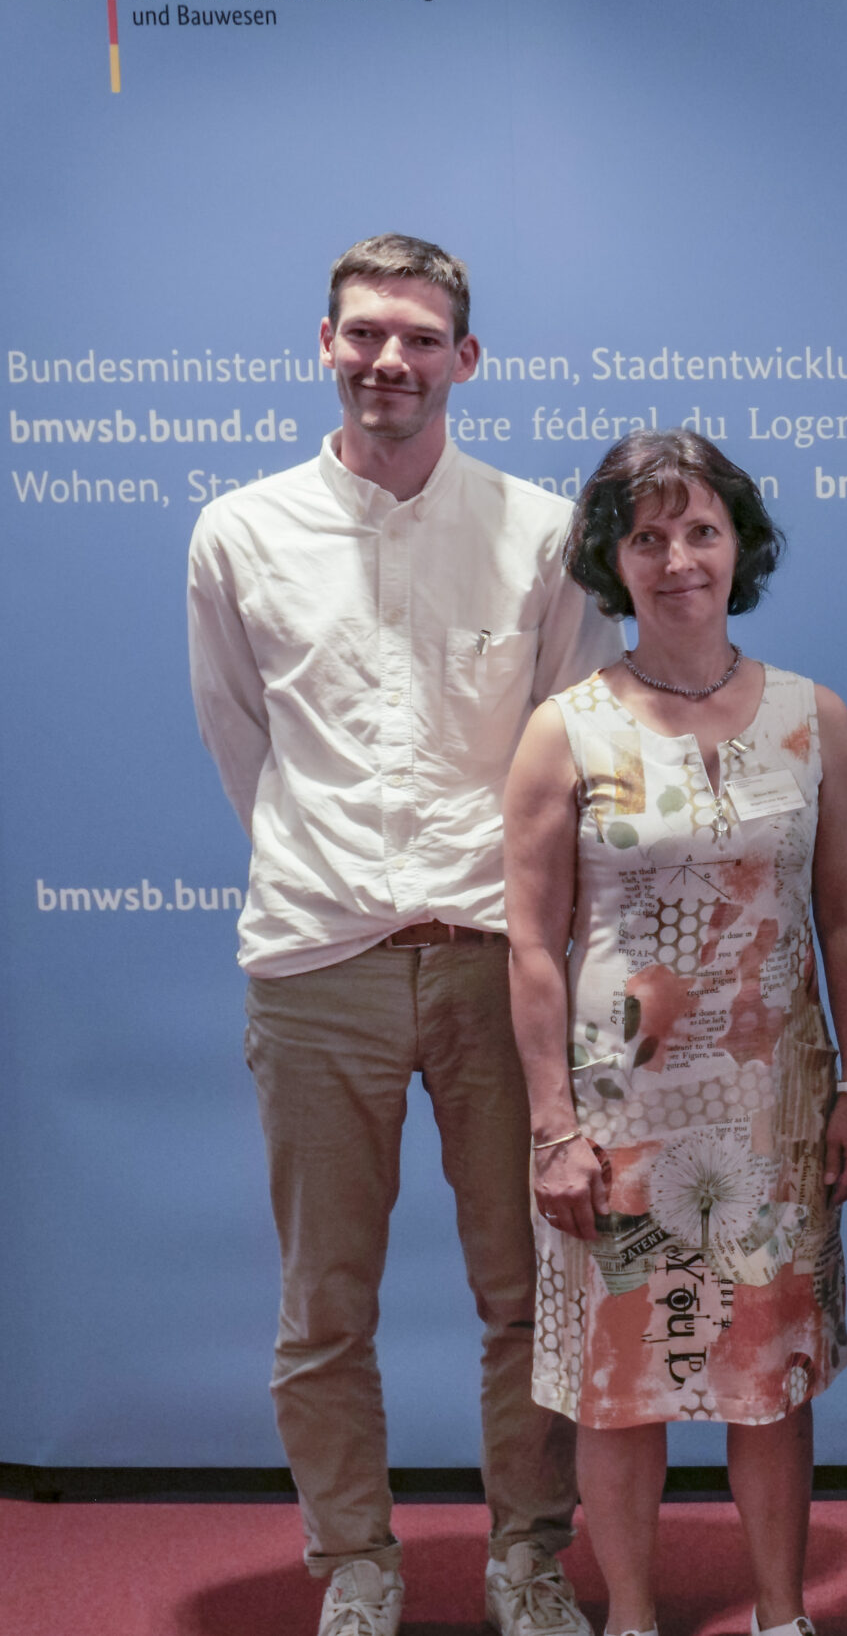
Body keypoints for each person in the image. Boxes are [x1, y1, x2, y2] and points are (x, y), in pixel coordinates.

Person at [187, 234, 619, 1636]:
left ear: (464, 360)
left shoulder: (545, 535)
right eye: (366, 333)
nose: (391, 360)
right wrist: (334, 872)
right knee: (325, 1301)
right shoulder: (240, 533)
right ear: (325, 343)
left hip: (502, 954)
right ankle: (357, 1562)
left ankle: (529, 1559)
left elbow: (564, 753)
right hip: (319, 956)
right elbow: (241, 741)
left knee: (530, 1289)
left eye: (421, 338)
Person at [503, 430, 847, 1636]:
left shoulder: (812, 715)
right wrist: (551, 1127)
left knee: (771, 1382)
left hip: (772, 1107)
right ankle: (633, 1618)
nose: (678, 558)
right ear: (614, 561)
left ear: (740, 545)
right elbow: (531, 946)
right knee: (621, 1391)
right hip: (622, 1118)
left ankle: (782, 1614)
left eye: (701, 530)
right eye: (648, 535)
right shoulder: (564, 728)